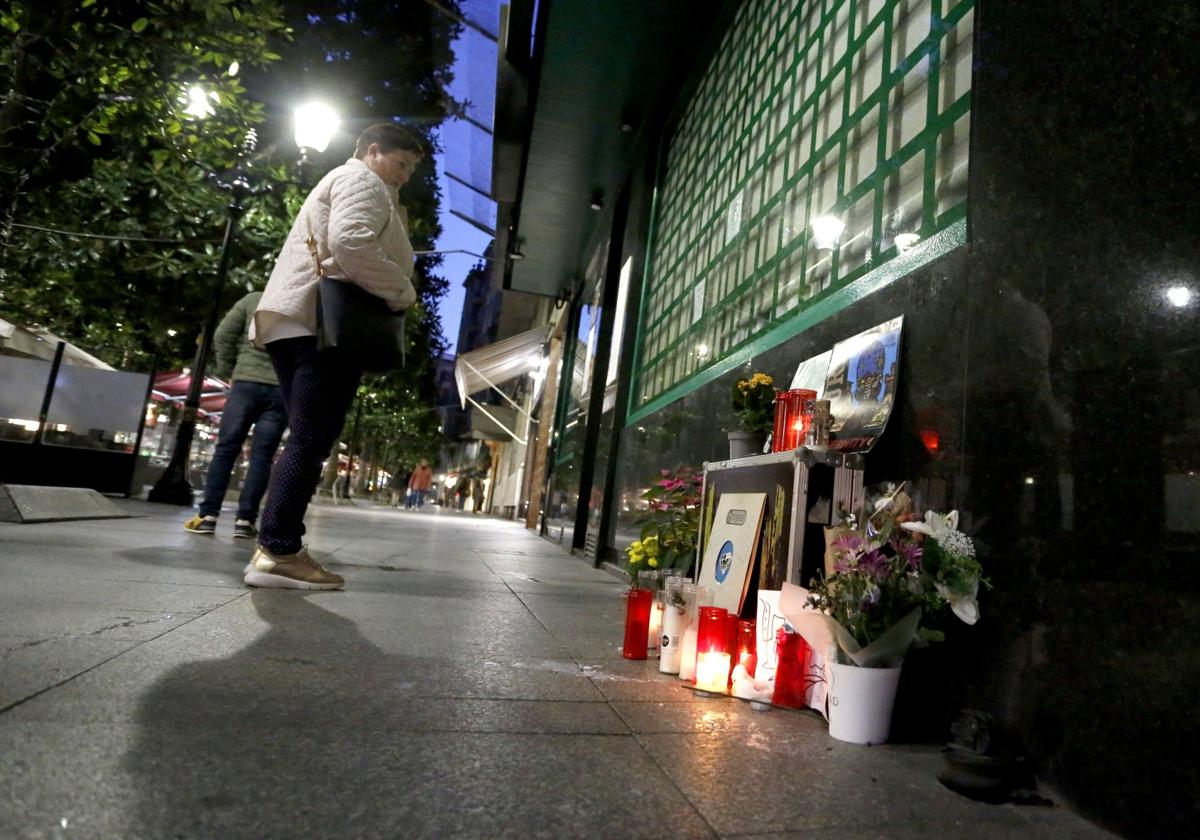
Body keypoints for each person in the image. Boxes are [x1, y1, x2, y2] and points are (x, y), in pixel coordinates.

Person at [243, 123, 421, 590]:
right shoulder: (362, 179)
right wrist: (401, 290)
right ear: (375, 151)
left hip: (298, 321)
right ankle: (279, 550)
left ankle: (276, 546)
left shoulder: (352, 181)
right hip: (320, 324)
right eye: (402, 164)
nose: (405, 176)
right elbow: (351, 240)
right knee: (311, 439)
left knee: (306, 436)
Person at [183, 291, 286, 540]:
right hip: (281, 388)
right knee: (262, 457)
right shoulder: (304, 304)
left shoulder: (253, 300)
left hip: (245, 384)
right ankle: (245, 521)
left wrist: (229, 369)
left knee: (226, 449)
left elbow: (223, 335)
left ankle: (208, 516)